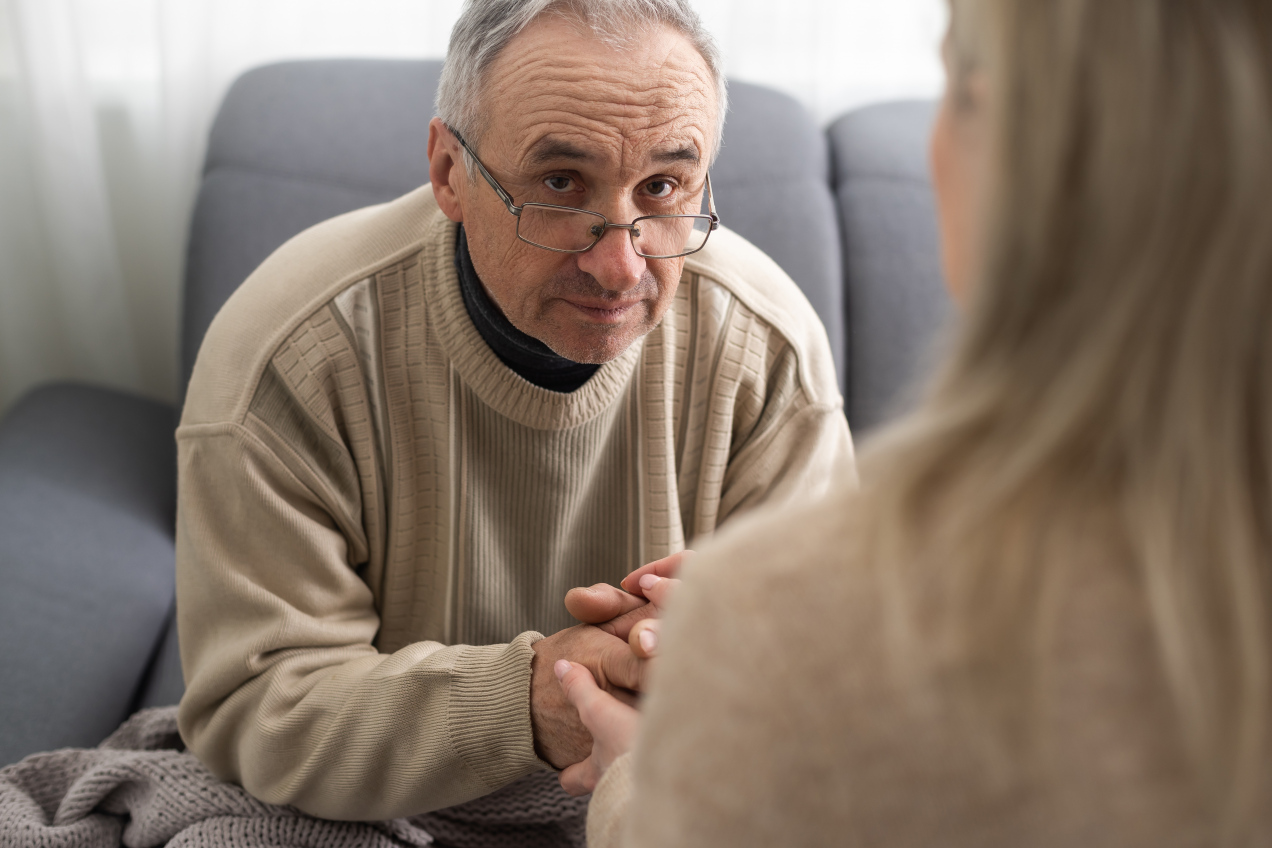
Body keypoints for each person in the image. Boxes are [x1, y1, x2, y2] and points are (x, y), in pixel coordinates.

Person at [558, 0, 1272, 845]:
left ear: (1018, 154)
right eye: (562, 183)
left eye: (955, 90)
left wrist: (642, 779)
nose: (619, 263)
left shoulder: (787, 625)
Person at [173, 0, 852, 843]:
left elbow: (835, 677)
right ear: (449, 172)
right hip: (387, 814)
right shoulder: (293, 350)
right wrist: (537, 699)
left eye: (663, 187)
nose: (620, 266)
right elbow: (255, 707)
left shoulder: (768, 348)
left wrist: (722, 659)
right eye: (560, 184)